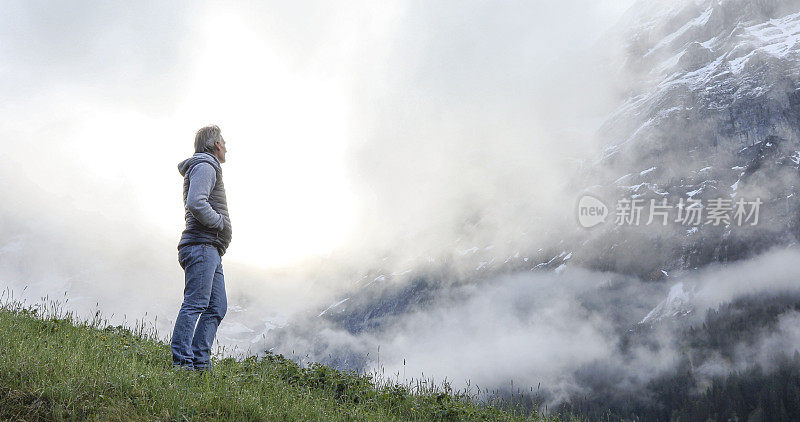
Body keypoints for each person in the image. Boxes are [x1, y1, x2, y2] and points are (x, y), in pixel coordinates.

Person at [170, 125, 232, 372]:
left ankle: (199, 363)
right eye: (224, 142)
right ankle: (183, 364)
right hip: (202, 246)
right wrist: (219, 222)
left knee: (217, 306)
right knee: (196, 303)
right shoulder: (206, 165)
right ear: (216, 144)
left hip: (210, 248)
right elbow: (196, 201)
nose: (227, 146)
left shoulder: (206, 166)